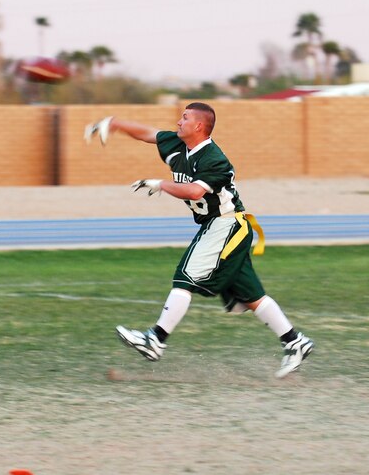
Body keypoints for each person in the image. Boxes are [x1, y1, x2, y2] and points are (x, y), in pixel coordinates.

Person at [85, 102, 314, 378]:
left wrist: (160, 184)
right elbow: (148, 133)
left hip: (227, 224)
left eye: (185, 118)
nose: (179, 122)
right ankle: (294, 341)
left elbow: (194, 192)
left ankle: (155, 340)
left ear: (199, 126)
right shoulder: (177, 145)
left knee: (185, 277)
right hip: (215, 225)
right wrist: (114, 123)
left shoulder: (214, 159)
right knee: (250, 295)